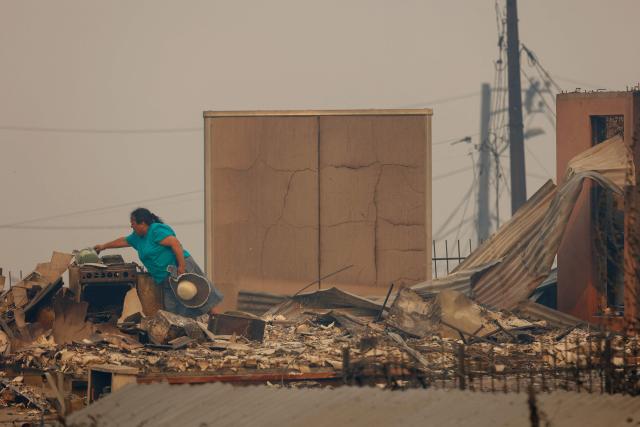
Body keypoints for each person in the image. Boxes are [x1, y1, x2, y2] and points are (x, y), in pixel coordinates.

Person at [94, 208, 222, 318]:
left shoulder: (156, 230)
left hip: (180, 268)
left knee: (202, 297)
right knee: (173, 308)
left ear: (142, 223)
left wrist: (182, 266)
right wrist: (104, 246)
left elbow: (175, 243)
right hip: (165, 277)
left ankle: (220, 326)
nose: (131, 226)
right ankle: (182, 336)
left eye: (133, 223)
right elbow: (123, 241)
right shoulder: (137, 237)